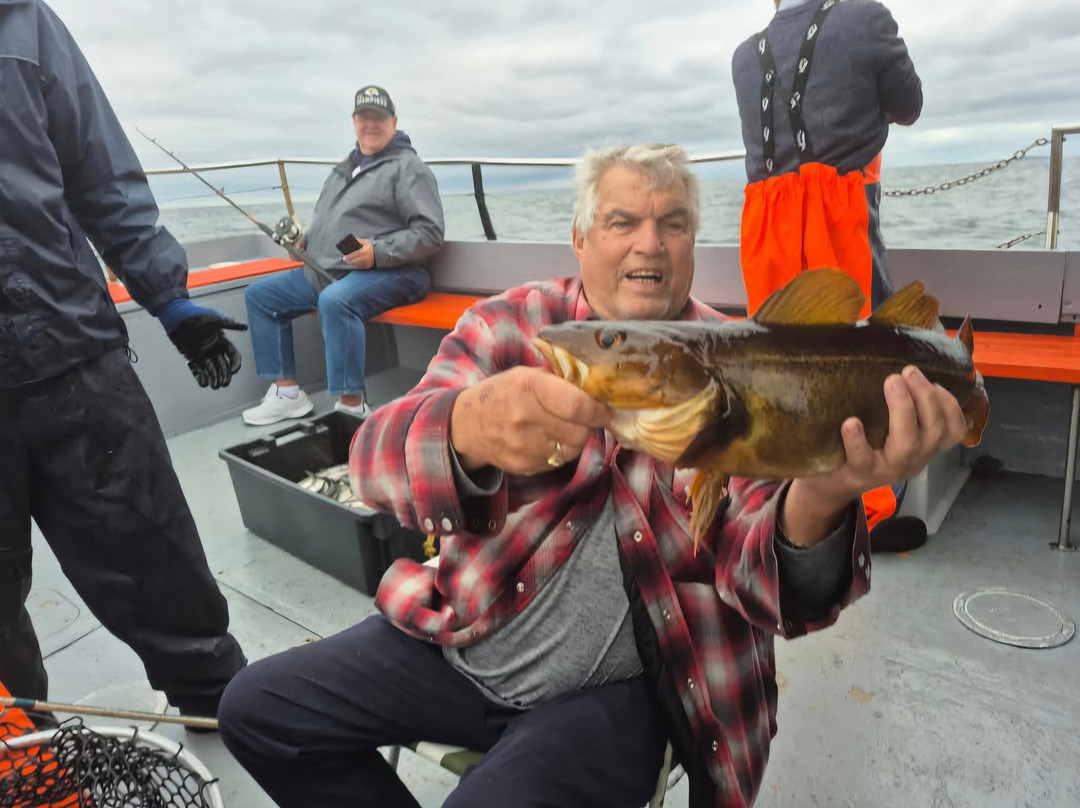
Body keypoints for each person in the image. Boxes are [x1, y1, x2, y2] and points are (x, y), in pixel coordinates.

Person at [217, 143, 967, 808]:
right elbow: (372, 466)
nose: (651, 242)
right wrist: (467, 428)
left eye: (673, 223)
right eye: (621, 222)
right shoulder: (509, 327)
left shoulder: (740, 365)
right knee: (255, 708)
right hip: (463, 639)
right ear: (579, 238)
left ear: (693, 244)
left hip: (626, 692)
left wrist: (829, 491)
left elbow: (770, 589)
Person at [0, 0, 247, 726]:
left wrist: (172, 304)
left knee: (151, 547)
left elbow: (101, 174)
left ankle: (221, 703)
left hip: (71, 347)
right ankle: (20, 741)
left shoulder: (24, 25)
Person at [732, 0, 925, 551]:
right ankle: (870, 511)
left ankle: (783, 493)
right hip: (838, 212)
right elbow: (908, 105)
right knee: (866, 353)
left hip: (763, 223)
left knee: (777, 364)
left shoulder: (744, 56)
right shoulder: (867, 17)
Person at [240, 85, 445, 426]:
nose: (371, 125)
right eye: (365, 118)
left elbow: (430, 234)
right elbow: (333, 229)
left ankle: (352, 407)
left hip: (398, 271)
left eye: (379, 118)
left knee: (336, 300)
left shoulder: (408, 168)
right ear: (354, 122)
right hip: (336, 266)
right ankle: (287, 393)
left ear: (394, 122)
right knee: (261, 296)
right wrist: (304, 244)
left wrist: (376, 253)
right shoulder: (342, 170)